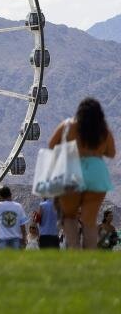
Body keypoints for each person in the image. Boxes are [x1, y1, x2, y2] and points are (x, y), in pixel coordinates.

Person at [50, 97, 116, 249]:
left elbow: (52, 144)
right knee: (90, 220)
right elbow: (111, 153)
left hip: (72, 170)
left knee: (69, 216)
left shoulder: (68, 125)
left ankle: (74, 249)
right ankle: (90, 255)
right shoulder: (104, 131)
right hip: (97, 173)